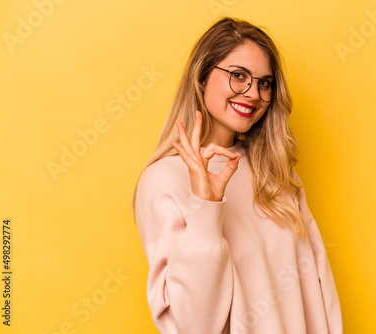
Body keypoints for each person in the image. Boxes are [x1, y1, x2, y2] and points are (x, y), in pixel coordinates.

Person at [132, 17, 342, 334]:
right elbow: (194, 324)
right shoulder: (164, 180)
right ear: (202, 77)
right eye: (238, 76)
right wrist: (206, 205)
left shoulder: (276, 174)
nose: (252, 93)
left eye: (264, 83)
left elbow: (317, 285)